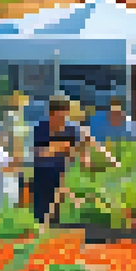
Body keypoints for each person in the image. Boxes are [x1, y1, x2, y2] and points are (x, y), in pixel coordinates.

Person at [31, 96, 81, 224]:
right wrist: (61, 147)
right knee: (41, 215)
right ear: (50, 114)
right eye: (59, 117)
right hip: (41, 174)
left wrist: (56, 149)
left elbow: (75, 152)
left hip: (63, 174)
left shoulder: (71, 129)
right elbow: (38, 153)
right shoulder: (40, 128)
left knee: (60, 216)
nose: (62, 121)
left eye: (64, 117)